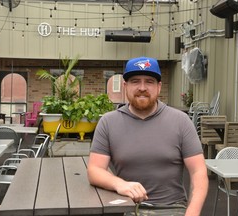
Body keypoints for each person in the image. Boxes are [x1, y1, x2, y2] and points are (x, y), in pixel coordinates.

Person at [87, 56, 208, 216]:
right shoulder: (108, 122)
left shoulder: (180, 121)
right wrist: (119, 184)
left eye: (149, 81)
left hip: (172, 208)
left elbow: (198, 171)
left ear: (158, 87)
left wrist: (192, 213)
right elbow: (95, 169)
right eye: (135, 81)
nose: (142, 87)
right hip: (127, 208)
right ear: (125, 86)